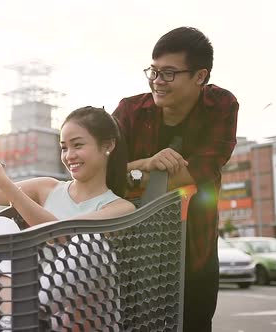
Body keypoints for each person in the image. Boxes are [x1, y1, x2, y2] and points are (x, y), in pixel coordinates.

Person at [0, 105, 135, 330]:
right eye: (64, 147)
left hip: (85, 321)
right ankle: (17, 319)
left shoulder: (121, 208)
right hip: (36, 314)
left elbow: (62, 234)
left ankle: (19, 319)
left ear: (108, 146)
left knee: (88, 242)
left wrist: (4, 182)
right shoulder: (47, 188)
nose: (69, 156)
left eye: (78, 145)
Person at [112, 26, 239, 332]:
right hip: (133, 251)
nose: (157, 81)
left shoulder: (221, 107)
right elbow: (102, 177)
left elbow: (193, 177)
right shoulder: (130, 111)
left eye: (168, 73)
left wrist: (130, 173)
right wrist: (146, 163)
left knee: (194, 324)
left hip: (194, 249)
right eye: (153, 71)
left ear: (200, 76)